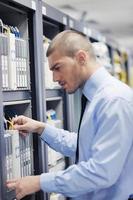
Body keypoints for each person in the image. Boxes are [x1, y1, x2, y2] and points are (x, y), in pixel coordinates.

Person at [6, 30, 133, 200]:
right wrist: (41, 128)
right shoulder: (97, 98)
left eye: (57, 68)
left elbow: (102, 172)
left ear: (81, 58)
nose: (54, 78)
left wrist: (39, 182)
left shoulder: (114, 100)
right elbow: (84, 146)